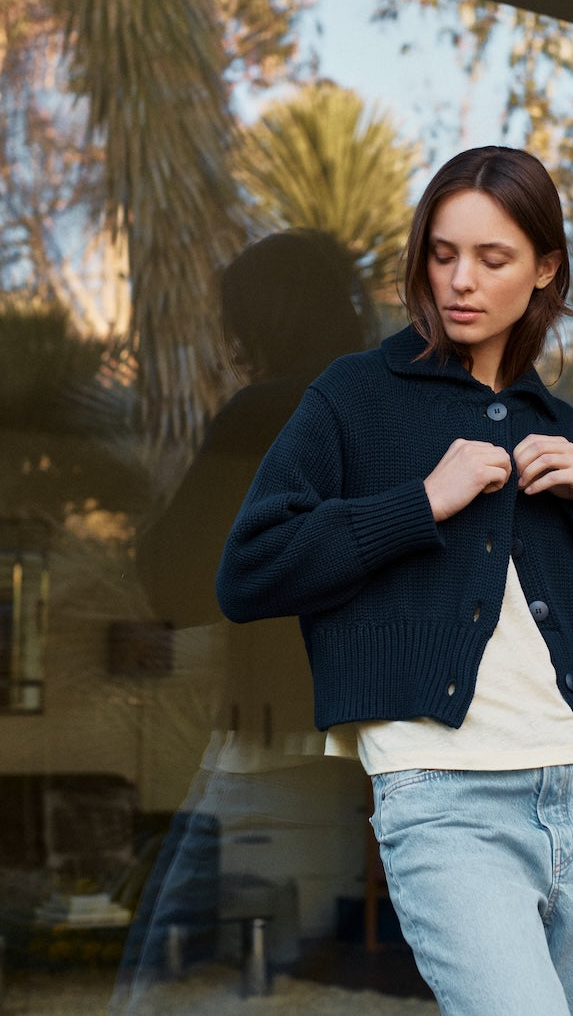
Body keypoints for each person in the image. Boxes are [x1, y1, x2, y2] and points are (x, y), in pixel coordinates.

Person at [217, 146, 573, 1015]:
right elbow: (249, 571)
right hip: (444, 795)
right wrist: (421, 502)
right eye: (442, 252)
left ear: (544, 269)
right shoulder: (355, 396)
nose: (460, 280)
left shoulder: (554, 423)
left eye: (493, 259)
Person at [112, 231, 368, 1012]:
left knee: (159, 996)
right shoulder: (396, 412)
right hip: (358, 764)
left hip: (276, 761)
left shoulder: (270, 414)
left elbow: (174, 583)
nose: (229, 347)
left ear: (263, 322)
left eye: (235, 325)